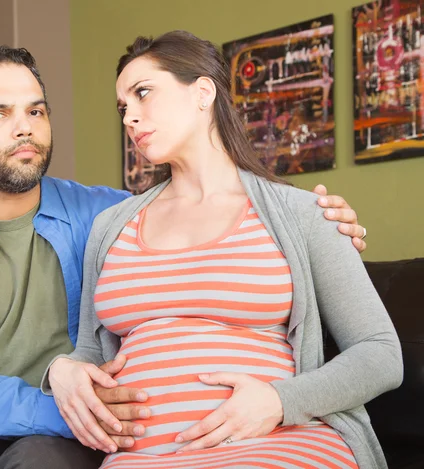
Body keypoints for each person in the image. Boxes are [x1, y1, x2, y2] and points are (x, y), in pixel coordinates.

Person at [0, 44, 367, 469]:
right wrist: (67, 409)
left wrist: (321, 223)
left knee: (37, 461)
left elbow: (200, 231)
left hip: (62, 440)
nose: (24, 126)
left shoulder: (112, 217)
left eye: (35, 109)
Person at [46, 31, 402, 469]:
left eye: (143, 94)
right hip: (144, 459)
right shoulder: (110, 227)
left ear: (202, 92)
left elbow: (381, 353)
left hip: (278, 444)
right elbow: (92, 356)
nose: (129, 117)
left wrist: (278, 400)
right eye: (123, 107)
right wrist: (61, 372)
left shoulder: (302, 213)